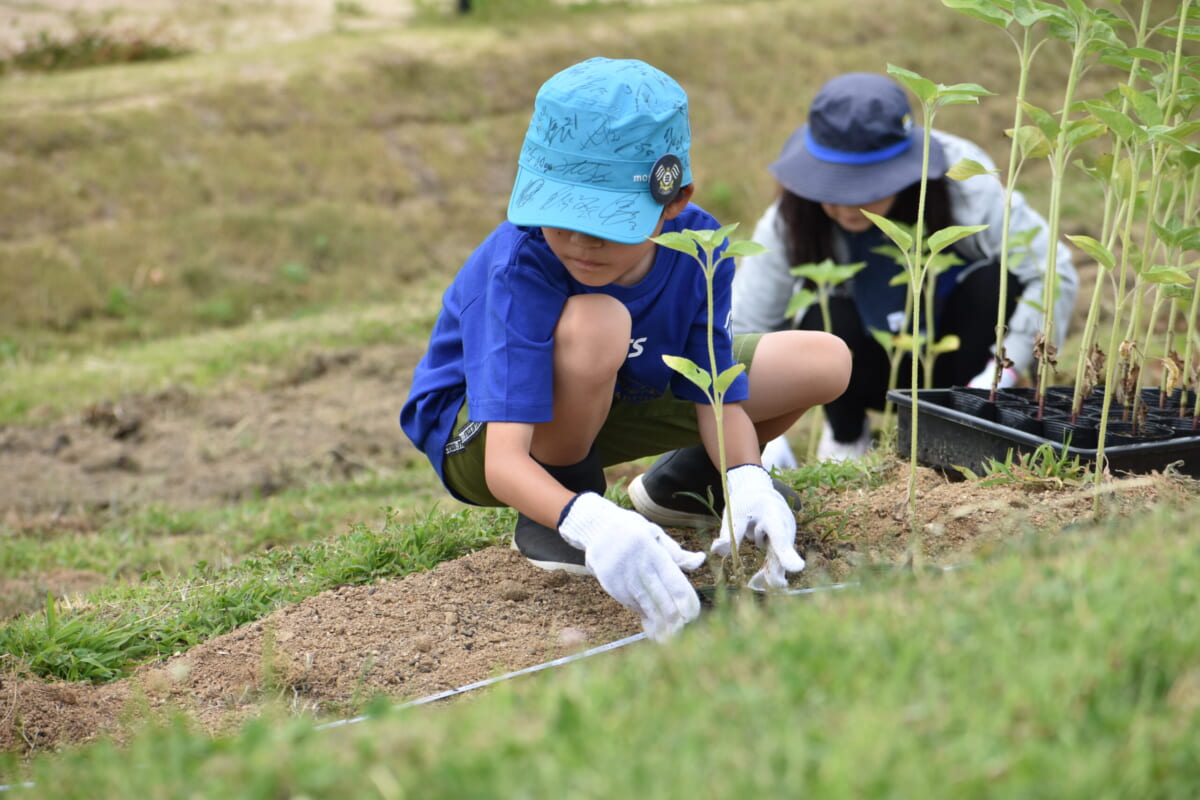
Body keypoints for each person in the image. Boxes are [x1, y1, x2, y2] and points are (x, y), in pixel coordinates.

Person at [400, 57, 851, 642]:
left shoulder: (700, 247)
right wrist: (589, 521)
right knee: (597, 323)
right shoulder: (521, 262)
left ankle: (688, 487)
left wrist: (745, 476)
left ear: (674, 201)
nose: (579, 244)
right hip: (486, 434)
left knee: (823, 360)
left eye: (607, 225)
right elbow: (502, 462)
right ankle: (564, 496)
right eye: (561, 219)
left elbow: (715, 388)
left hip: (616, 389)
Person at [732, 72, 1077, 462]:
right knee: (822, 314)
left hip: (958, 357)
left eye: (865, 187)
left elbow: (1052, 273)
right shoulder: (790, 218)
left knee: (994, 283)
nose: (846, 206)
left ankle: (968, 420)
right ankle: (847, 437)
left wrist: (1002, 372)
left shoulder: (964, 183)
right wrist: (761, 426)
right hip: (864, 368)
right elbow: (749, 328)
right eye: (832, 186)